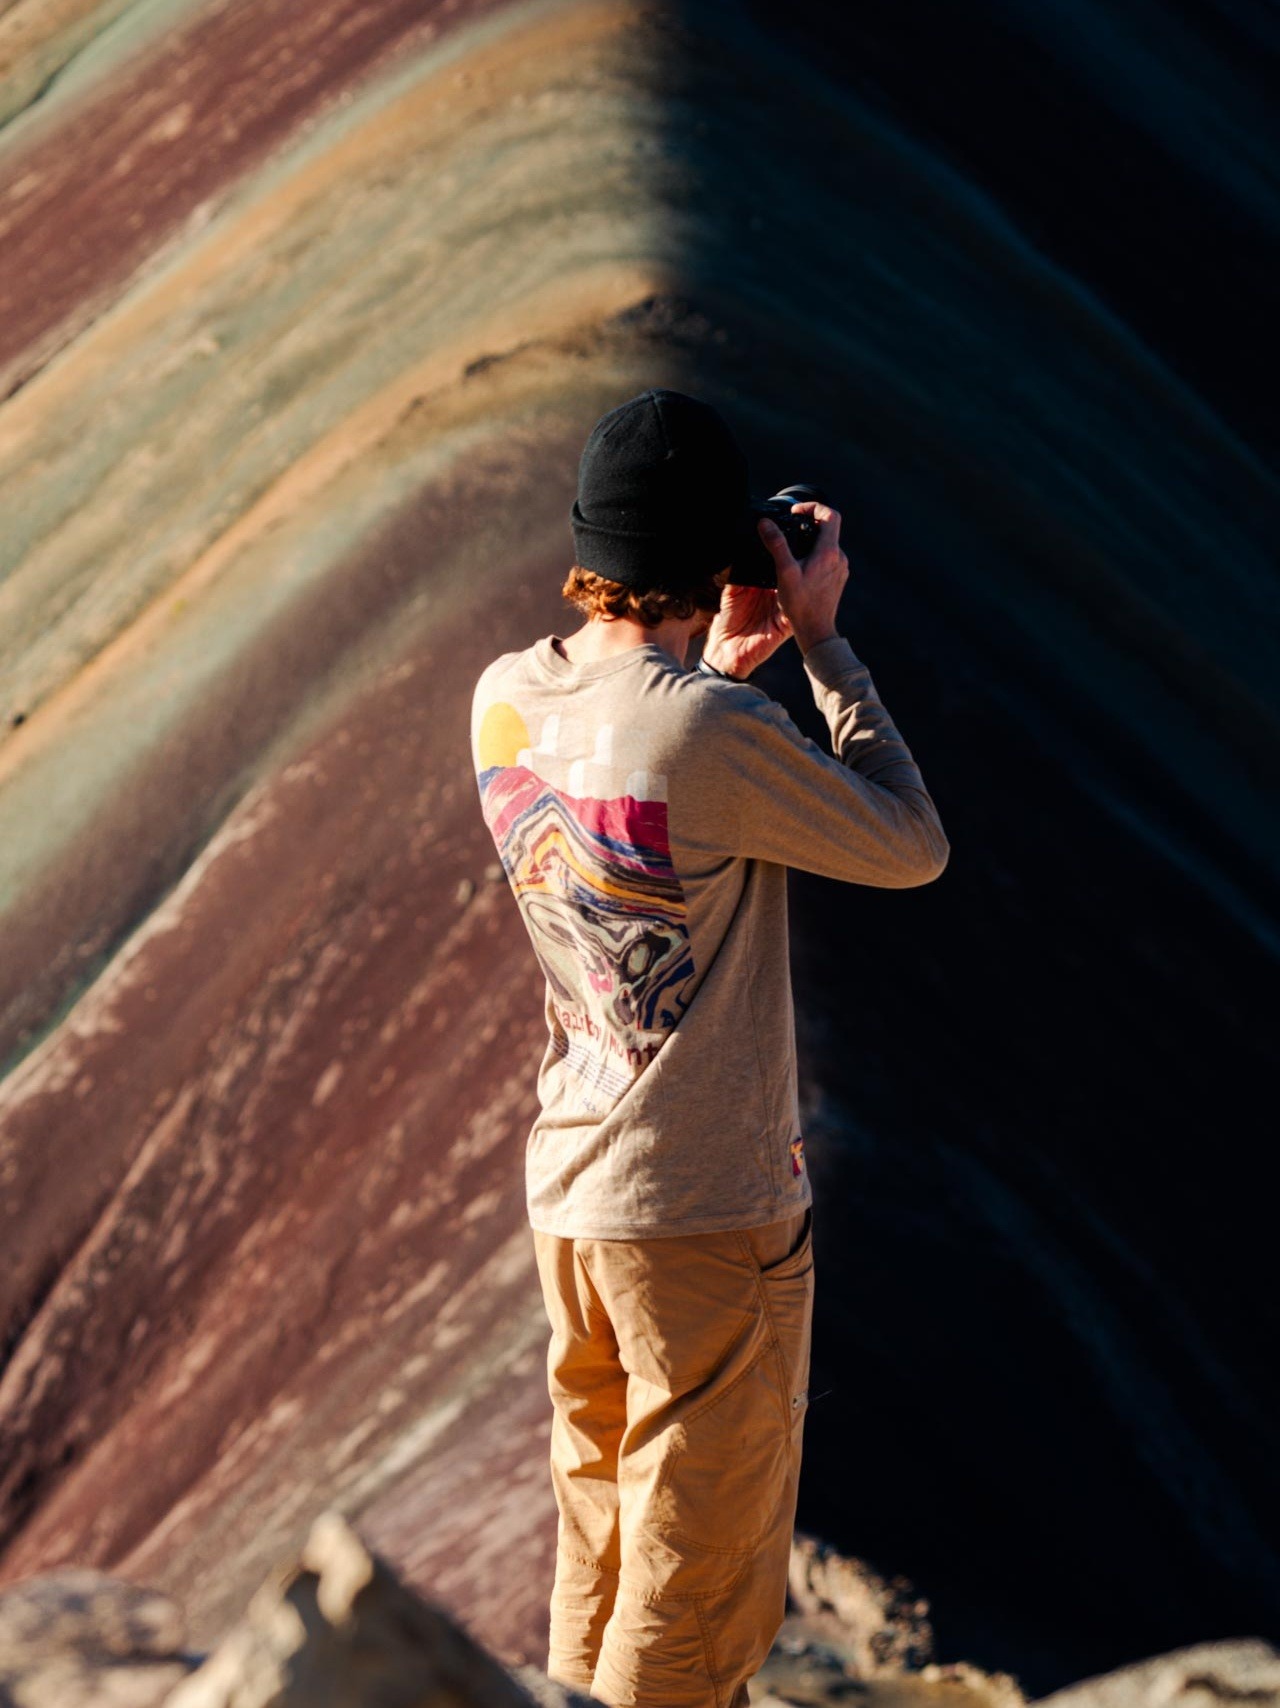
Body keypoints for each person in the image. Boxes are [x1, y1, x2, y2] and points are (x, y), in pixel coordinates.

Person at [469, 389, 949, 1708]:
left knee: (603, 1549)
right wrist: (823, 644)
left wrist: (719, 667)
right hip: (700, 1214)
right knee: (691, 1596)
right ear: (712, 555)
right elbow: (909, 844)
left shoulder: (506, 695)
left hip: (572, 1191)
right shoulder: (709, 729)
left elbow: (650, 782)